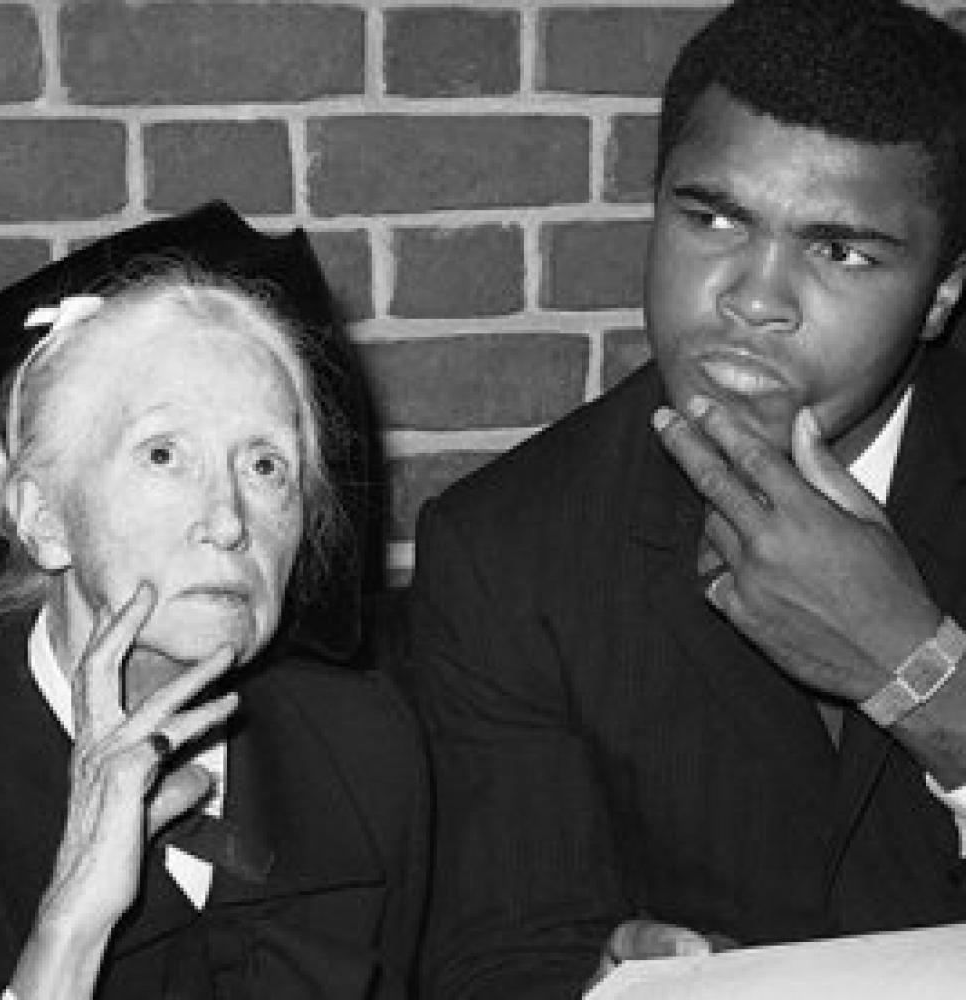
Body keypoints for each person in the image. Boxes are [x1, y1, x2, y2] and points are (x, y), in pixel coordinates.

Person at [407, 0, 966, 995]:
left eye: (839, 250)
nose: (753, 299)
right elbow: (501, 955)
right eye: (711, 217)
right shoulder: (509, 551)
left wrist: (916, 672)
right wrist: (593, 975)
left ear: (940, 293)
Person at [0, 265, 428, 998]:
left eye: (266, 466)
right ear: (45, 519)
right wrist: (72, 927)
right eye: (163, 455)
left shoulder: (364, 748)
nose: (228, 520)